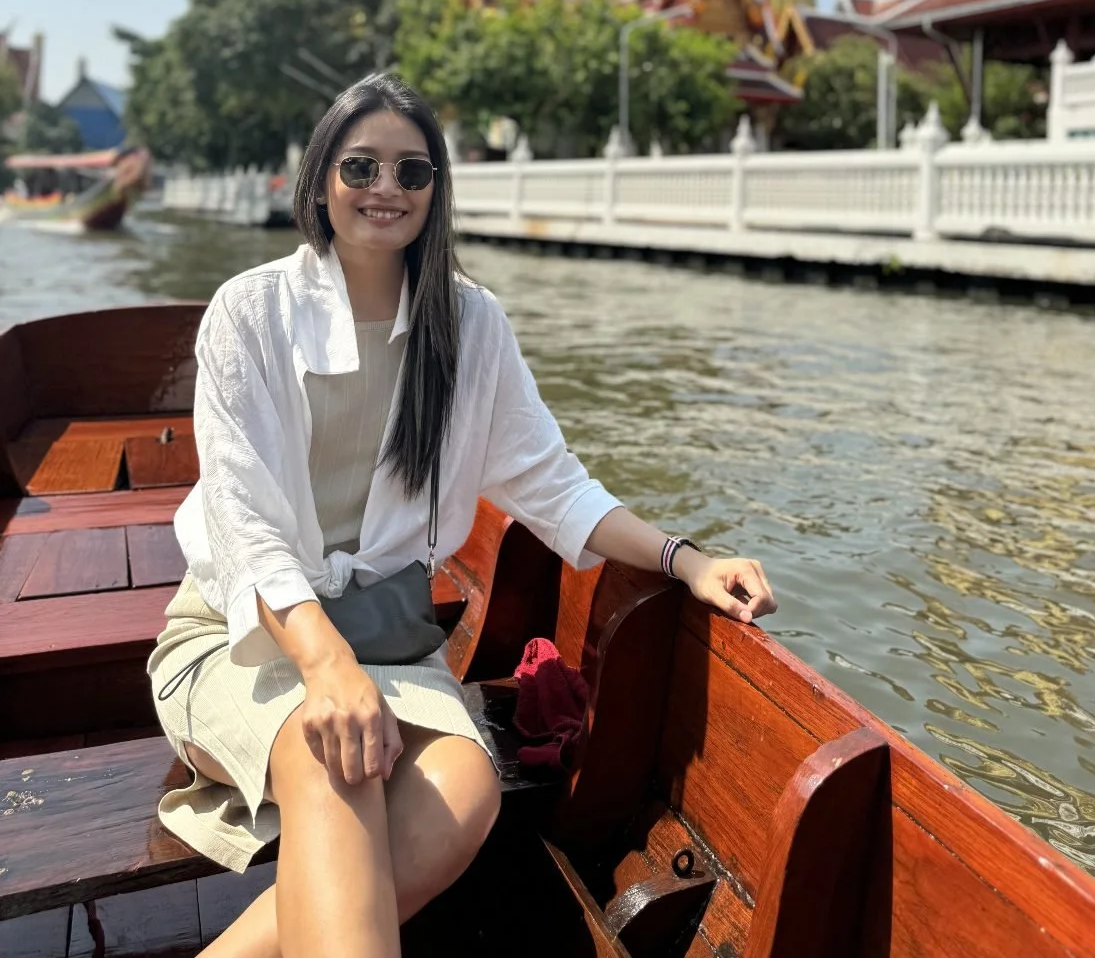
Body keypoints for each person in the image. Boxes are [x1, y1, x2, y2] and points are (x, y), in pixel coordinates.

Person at [148, 73, 776, 958]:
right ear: (321, 175)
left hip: (392, 643)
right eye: (361, 166)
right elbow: (244, 528)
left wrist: (685, 559)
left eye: (412, 171)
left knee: (467, 788)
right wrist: (328, 671)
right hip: (244, 637)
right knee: (340, 768)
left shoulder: (469, 325)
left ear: (437, 189)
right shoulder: (249, 314)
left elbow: (553, 485)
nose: (387, 190)